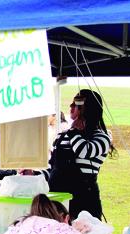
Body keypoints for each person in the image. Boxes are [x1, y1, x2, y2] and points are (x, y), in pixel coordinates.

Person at [43, 89, 113, 220]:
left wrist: (74, 130)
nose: (71, 106)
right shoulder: (62, 136)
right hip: (59, 203)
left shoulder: (102, 137)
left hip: (84, 204)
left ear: (89, 108)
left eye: (76, 103)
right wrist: (35, 174)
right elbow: (53, 167)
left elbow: (84, 151)